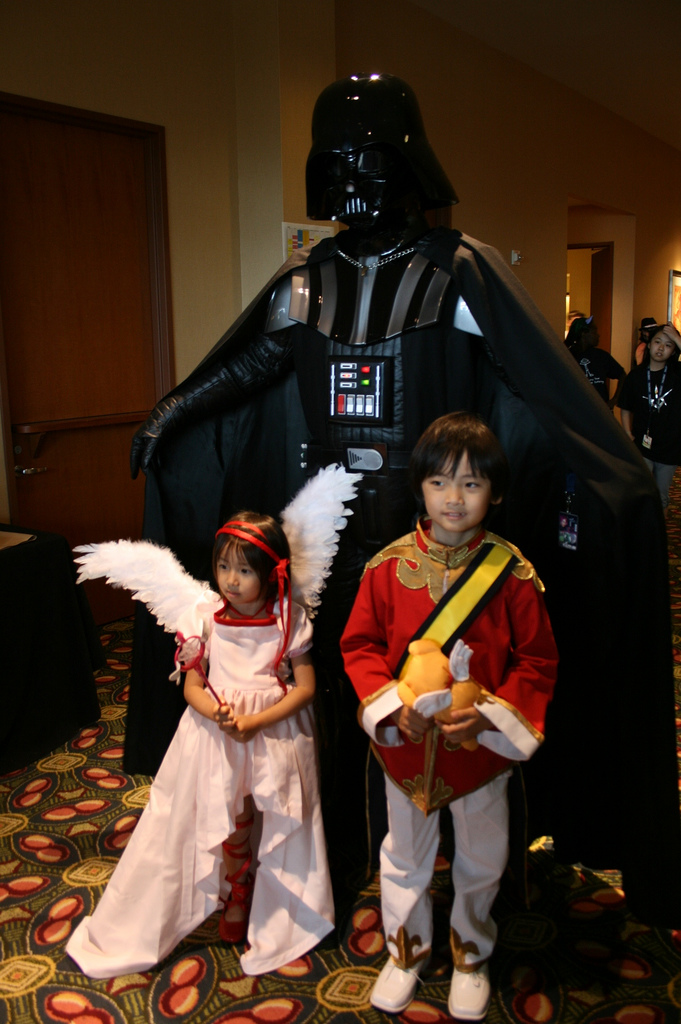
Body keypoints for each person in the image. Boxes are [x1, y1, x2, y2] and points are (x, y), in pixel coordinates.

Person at [124, 72, 681, 928]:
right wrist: (172, 412)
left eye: (369, 161)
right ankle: (343, 851)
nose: (353, 182)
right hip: (332, 537)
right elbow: (251, 367)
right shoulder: (304, 280)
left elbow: (535, 388)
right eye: (336, 164)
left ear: (408, 165)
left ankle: (468, 866)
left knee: (450, 700)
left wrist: (604, 473)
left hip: (439, 539)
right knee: (345, 700)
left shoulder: (461, 275)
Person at [65, 475, 358, 977]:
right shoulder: (206, 618)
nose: (230, 579)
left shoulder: (289, 617)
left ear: (270, 573)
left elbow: (305, 687)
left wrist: (257, 720)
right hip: (216, 734)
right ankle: (235, 888)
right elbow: (193, 685)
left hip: (274, 733)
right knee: (229, 813)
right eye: (223, 566)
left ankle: (274, 906)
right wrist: (215, 712)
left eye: (243, 570)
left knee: (274, 814)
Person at [341, 413, 557, 1019]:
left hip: (480, 751)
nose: (454, 498)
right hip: (405, 748)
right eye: (439, 482)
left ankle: (471, 953)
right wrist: (390, 710)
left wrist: (490, 715)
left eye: (470, 484)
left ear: (497, 491)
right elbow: (358, 649)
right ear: (419, 489)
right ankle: (405, 951)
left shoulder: (511, 573)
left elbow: (537, 660)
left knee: (483, 856)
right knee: (403, 857)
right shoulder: (385, 568)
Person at [618, 321, 681, 515]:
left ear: (674, 350)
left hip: (670, 449)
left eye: (668, 345)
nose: (661, 348)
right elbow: (625, 408)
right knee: (641, 493)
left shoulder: (677, 374)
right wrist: (628, 434)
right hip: (642, 447)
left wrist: (679, 339)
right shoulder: (636, 376)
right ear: (649, 344)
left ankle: (657, 539)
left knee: (661, 496)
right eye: (657, 342)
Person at [565, 316, 625, 408]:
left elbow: (622, 375)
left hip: (601, 414)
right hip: (576, 414)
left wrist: (615, 400)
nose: (598, 335)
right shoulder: (567, 357)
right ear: (584, 334)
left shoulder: (601, 356)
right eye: (595, 331)